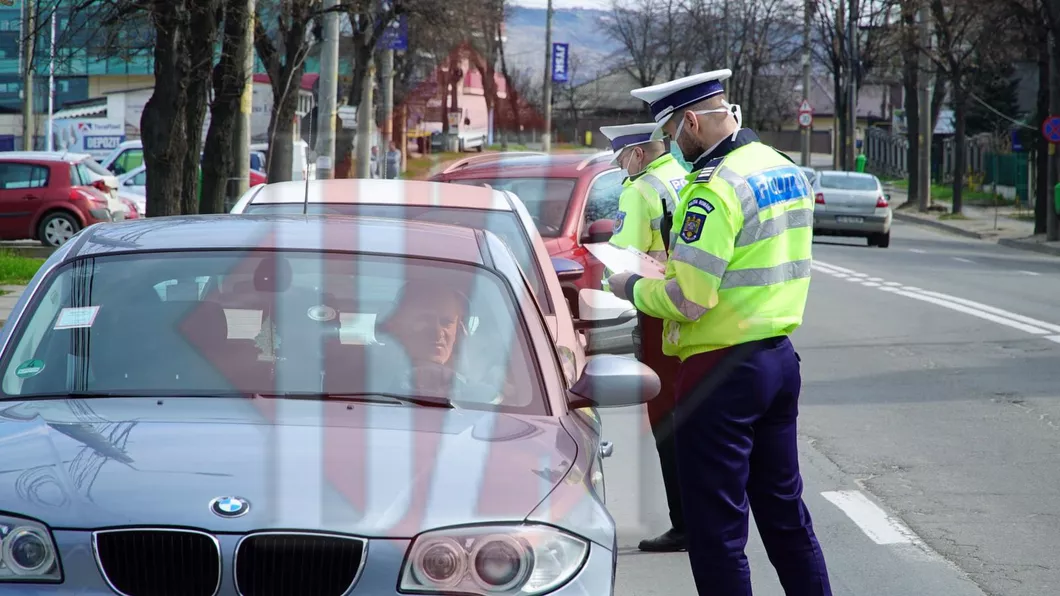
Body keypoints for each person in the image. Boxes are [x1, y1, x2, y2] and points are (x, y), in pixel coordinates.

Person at [606, 69, 832, 595]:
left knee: (716, 532)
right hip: (778, 358)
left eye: (670, 133)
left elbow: (689, 299)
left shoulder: (712, 188)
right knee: (785, 516)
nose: (671, 146)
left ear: (690, 121)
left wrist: (631, 287)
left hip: (719, 371)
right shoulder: (783, 169)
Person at [598, 122, 688, 553]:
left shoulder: (639, 190)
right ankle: (702, 517)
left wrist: (601, 285)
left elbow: (620, 257)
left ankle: (685, 524)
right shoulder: (685, 176)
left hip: (657, 312)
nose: (620, 168)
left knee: (664, 417)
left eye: (620, 159)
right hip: (694, 310)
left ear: (635, 155)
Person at [379, 281, 510, 404]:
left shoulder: (483, 397)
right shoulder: (372, 384)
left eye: (446, 322)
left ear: (459, 332)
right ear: (401, 327)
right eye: (425, 320)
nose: (437, 333)